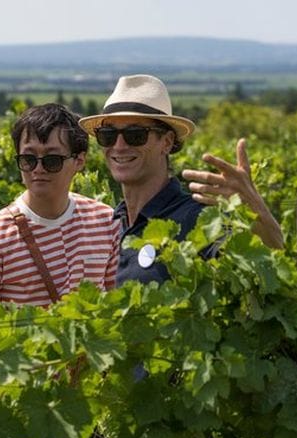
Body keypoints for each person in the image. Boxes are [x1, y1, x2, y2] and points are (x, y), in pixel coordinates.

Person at [78, 74, 283, 286]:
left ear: (166, 142)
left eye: (136, 134)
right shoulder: (110, 225)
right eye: (108, 135)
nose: (119, 146)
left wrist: (258, 214)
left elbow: (266, 275)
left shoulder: (199, 219)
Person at [0, 103, 119, 312]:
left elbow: (115, 308)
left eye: (52, 160)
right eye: (28, 159)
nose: (38, 169)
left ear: (79, 161)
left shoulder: (107, 222)